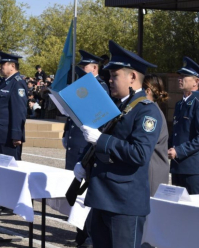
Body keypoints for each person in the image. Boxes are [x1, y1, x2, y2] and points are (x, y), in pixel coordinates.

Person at [74, 40, 162, 248]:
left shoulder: (147, 111)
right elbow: (102, 139)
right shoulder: (116, 106)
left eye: (115, 76)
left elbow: (140, 153)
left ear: (132, 76)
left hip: (124, 204)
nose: (110, 80)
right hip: (102, 196)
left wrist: (100, 140)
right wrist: (84, 162)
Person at [63, 65, 109, 248]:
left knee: (88, 197)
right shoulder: (84, 88)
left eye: (85, 67)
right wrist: (67, 133)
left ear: (95, 68)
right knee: (78, 197)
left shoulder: (100, 88)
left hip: (89, 145)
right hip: (79, 146)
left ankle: (89, 237)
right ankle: (81, 235)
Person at [0, 51, 28, 160]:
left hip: (8, 136)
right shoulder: (5, 81)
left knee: (11, 169)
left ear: (12, 66)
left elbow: (19, 111)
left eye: (3, 65)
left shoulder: (17, 82)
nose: (0, 68)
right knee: (0, 170)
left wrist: (17, 135)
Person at [168, 56, 199, 194]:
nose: (180, 79)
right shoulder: (179, 104)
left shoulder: (197, 103)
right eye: (180, 76)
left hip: (192, 169)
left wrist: (179, 151)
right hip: (177, 167)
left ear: (196, 81)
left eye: (185, 76)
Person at [142, 74, 169, 196]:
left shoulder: (151, 113)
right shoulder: (151, 110)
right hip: (152, 170)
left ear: (147, 91)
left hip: (152, 173)